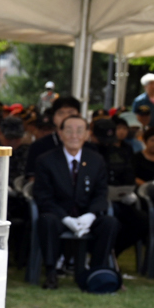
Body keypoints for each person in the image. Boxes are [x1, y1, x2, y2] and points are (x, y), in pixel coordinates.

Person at [31, 111, 115, 288]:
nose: (74, 136)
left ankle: (95, 272)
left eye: (79, 131)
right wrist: (65, 218)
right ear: (60, 134)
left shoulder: (96, 160)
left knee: (110, 223)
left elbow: (101, 193)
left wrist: (91, 215)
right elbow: (43, 196)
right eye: (68, 130)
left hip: (86, 214)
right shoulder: (46, 160)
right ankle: (51, 272)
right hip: (58, 214)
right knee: (47, 221)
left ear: (87, 135)